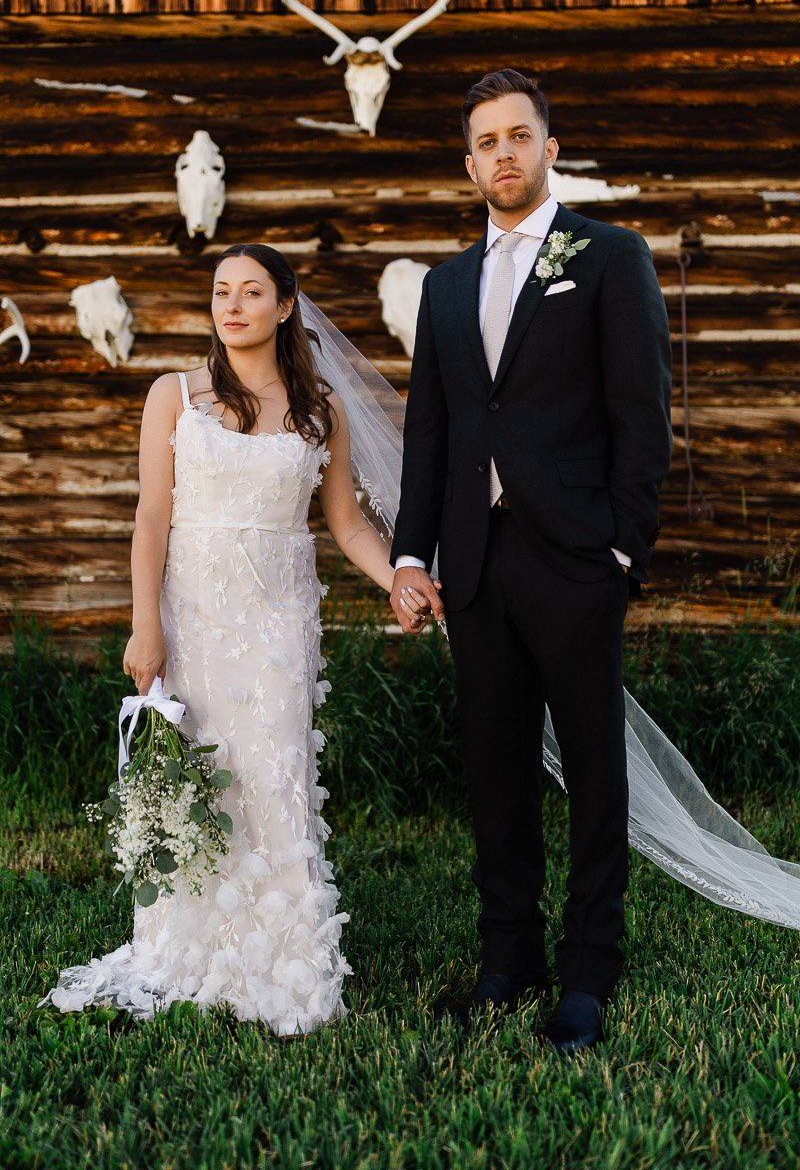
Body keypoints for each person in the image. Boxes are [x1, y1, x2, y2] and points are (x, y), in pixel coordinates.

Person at [40, 243, 433, 1035]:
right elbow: (153, 515)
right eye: (222, 291)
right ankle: (188, 948)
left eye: (252, 292)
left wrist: (395, 575)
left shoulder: (319, 406)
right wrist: (144, 623)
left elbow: (347, 524)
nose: (233, 305)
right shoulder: (174, 395)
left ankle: (281, 958)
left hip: (280, 622)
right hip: (192, 617)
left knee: (273, 776)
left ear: (285, 306)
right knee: (200, 776)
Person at [389, 68, 673, 1053]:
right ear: (467, 163)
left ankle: (587, 966)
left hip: (574, 558)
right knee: (495, 771)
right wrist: (410, 554)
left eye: (518, 135)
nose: (502, 154)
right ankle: (505, 958)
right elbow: (431, 431)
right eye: (485, 141)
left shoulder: (605, 256)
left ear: (548, 148)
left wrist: (621, 549)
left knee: (593, 771)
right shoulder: (446, 285)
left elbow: (641, 418)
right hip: (472, 563)